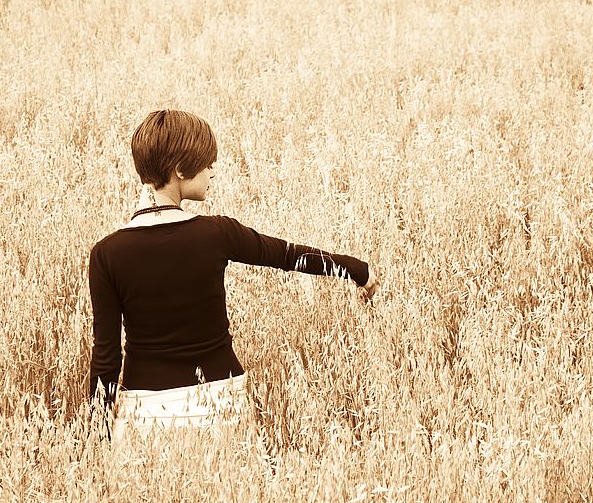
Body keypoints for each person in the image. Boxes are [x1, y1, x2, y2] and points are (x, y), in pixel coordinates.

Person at [88, 110, 378, 438]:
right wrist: (357, 270)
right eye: (207, 162)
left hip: (146, 414)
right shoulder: (217, 234)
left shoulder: (107, 253)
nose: (214, 170)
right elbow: (289, 256)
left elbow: (106, 357)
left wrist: (98, 437)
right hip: (221, 403)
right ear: (181, 169)